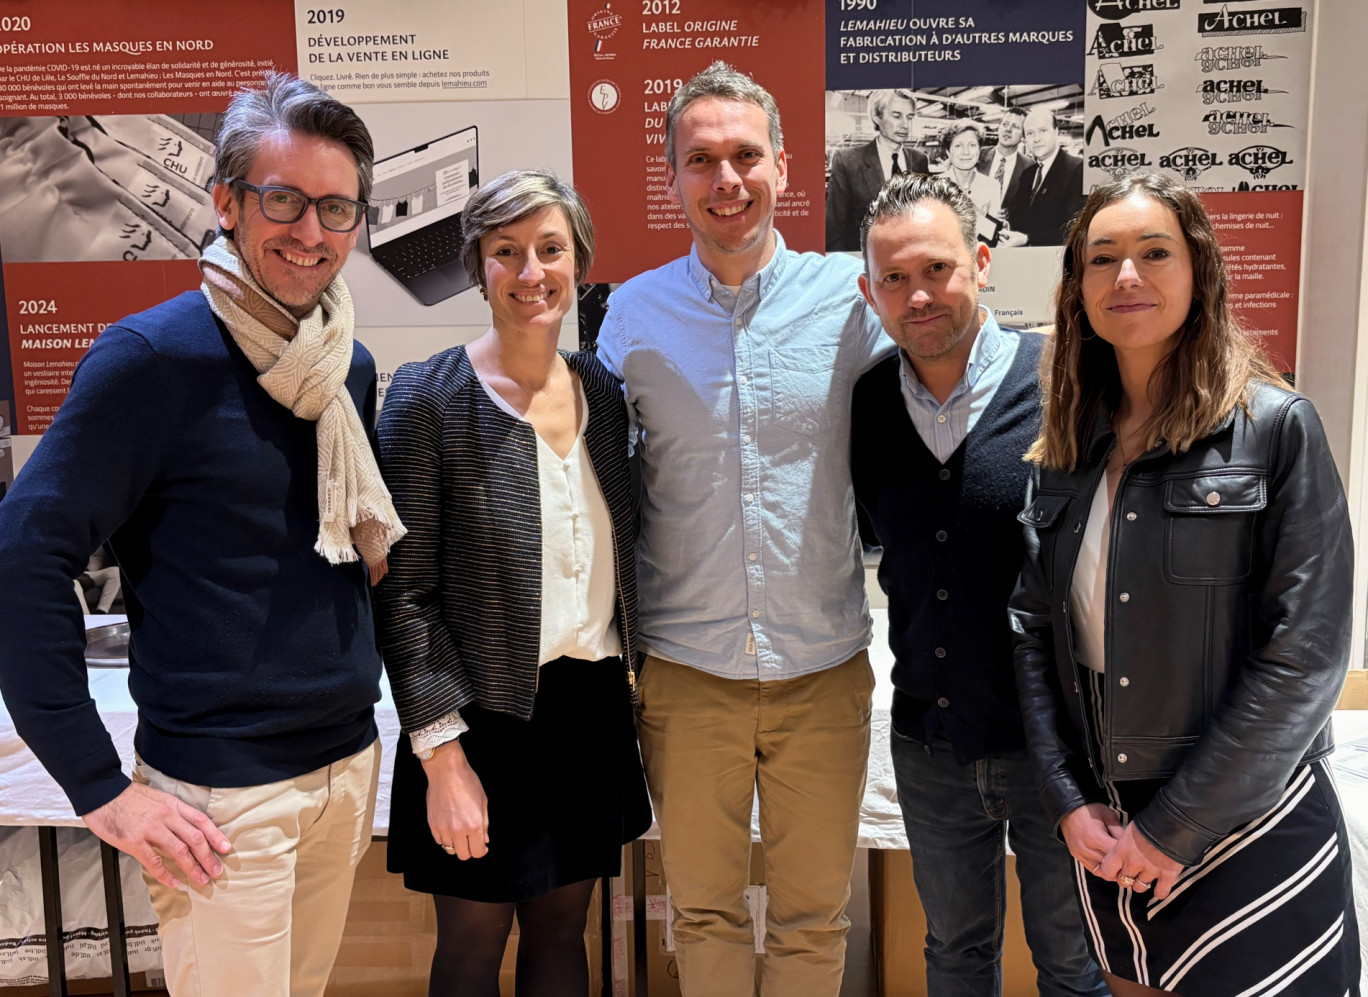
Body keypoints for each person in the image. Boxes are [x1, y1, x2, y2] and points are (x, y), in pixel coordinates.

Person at [0, 72, 401, 997]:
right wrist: (98, 787)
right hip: (222, 798)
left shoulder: (347, 365)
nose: (311, 231)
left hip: (343, 769)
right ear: (225, 203)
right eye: (285, 200)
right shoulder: (152, 359)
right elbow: (27, 555)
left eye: (336, 207)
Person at [1010, 171, 1360, 997]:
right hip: (1108, 827)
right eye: (1102, 259)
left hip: (1248, 820)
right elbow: (1033, 634)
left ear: (1198, 270)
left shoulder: (1276, 426)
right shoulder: (1066, 444)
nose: (1126, 276)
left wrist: (1176, 828)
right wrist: (1067, 799)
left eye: (1154, 252)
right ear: (1077, 286)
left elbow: (1305, 659)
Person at [597, 60, 892, 997]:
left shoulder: (854, 298)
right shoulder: (629, 315)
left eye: (745, 156)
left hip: (823, 662)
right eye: (701, 160)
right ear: (674, 176)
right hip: (687, 671)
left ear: (784, 168)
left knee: (814, 916)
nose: (727, 179)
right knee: (703, 912)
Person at [373, 169, 652, 997]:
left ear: (580, 261)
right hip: (480, 718)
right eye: (506, 252)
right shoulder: (427, 397)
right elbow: (403, 591)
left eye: (550, 249)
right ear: (476, 266)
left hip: (589, 708)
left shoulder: (603, 392)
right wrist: (443, 756)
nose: (531, 272)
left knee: (565, 934)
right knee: (471, 944)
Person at [851, 171, 1107, 997]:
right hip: (931, 741)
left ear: (983, 262)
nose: (916, 295)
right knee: (956, 954)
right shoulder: (865, 406)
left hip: (1057, 750)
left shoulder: (1066, 379)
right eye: (894, 278)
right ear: (870, 290)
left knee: (1073, 962)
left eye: (937, 269)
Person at [826, 87, 931, 252]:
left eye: (909, 117)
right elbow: (834, 231)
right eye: (896, 116)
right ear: (877, 117)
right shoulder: (848, 162)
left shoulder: (919, 161)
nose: (905, 124)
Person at [1001, 107, 1085, 247]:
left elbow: (1074, 228)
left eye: (1043, 131)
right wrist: (1005, 224)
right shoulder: (1027, 174)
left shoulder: (1076, 169)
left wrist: (1028, 238)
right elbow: (1018, 217)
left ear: (1056, 131)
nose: (1036, 139)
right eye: (1030, 133)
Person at [937, 121, 1006, 247]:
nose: (966, 152)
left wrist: (977, 212)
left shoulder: (992, 186)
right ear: (948, 152)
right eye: (958, 146)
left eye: (972, 145)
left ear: (979, 150)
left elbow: (994, 235)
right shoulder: (934, 186)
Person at [979, 107, 1029, 205]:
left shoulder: (1030, 167)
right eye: (1005, 124)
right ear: (999, 127)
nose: (1008, 129)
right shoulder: (978, 155)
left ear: (1023, 135)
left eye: (1015, 126)